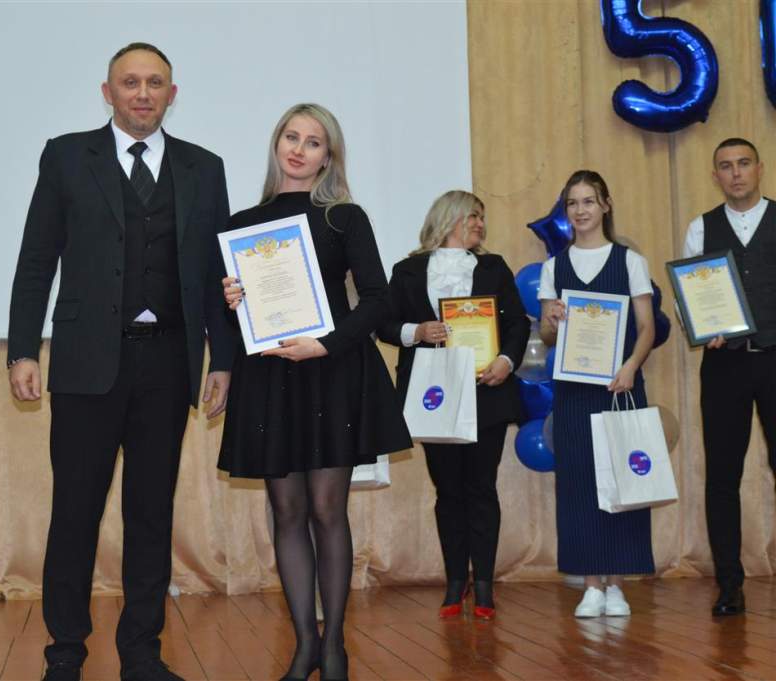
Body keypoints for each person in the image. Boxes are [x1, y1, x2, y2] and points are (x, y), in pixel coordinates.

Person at [7, 43, 234, 681]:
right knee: (75, 512)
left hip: (169, 363)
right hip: (86, 365)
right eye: (130, 82)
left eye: (154, 83)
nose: (142, 93)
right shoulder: (65, 156)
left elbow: (217, 272)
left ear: (171, 94)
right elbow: (36, 258)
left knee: (151, 513)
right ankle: (65, 652)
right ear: (107, 93)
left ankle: (141, 652)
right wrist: (22, 349)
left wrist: (223, 360)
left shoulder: (204, 167)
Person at [219, 103, 411, 681]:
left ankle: (334, 648)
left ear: (329, 156)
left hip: (331, 371)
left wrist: (325, 344)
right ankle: (304, 644)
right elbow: (236, 324)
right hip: (270, 379)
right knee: (286, 511)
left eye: (314, 142)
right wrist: (232, 302)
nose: (299, 149)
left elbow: (377, 299)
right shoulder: (243, 225)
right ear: (277, 143)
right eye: (292, 137)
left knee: (328, 510)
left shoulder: (344, 217)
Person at [377, 190, 530, 621]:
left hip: (487, 390)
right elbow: (384, 325)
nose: (480, 223)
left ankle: (484, 586)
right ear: (448, 219)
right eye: (472, 216)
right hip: (434, 395)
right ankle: (455, 581)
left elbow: (517, 324)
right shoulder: (407, 270)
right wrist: (416, 331)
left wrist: (506, 361)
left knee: (482, 488)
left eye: (482, 217)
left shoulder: (494, 267)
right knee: (448, 491)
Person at [538, 170, 656, 618]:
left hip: (620, 386)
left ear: (605, 205)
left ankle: (617, 585)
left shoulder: (629, 261)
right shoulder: (554, 267)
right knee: (578, 484)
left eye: (589, 201)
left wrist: (631, 367)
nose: (580, 210)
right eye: (572, 203)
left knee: (623, 479)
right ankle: (590, 584)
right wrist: (552, 321)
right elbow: (548, 337)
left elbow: (646, 327)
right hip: (573, 391)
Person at [683, 138, 772, 617]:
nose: (735, 173)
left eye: (743, 164)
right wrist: (703, 325)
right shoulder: (701, 228)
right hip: (724, 364)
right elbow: (690, 299)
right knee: (722, 477)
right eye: (725, 166)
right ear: (715, 175)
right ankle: (729, 586)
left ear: (759, 169)